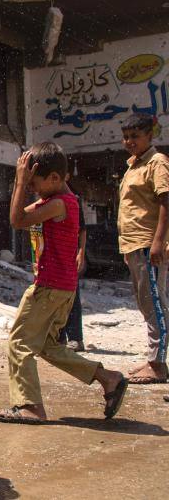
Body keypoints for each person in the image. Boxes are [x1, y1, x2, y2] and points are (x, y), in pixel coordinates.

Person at [0, 143, 127, 424]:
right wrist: (25, 184)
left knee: (19, 343)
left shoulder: (58, 204)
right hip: (63, 288)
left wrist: (19, 182)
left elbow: (17, 220)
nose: (33, 189)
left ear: (55, 178)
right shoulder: (55, 201)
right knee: (48, 346)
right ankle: (109, 378)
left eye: (35, 184)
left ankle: (30, 406)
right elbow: (19, 216)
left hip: (49, 288)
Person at [117, 113, 169, 384]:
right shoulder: (132, 166)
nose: (129, 141)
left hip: (149, 244)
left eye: (135, 136)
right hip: (134, 246)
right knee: (146, 303)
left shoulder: (157, 162)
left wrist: (158, 242)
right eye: (126, 136)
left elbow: (165, 202)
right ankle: (153, 358)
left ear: (150, 135)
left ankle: (159, 365)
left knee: (155, 303)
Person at [58, 191, 87, 351]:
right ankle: (58, 337)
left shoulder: (72, 200)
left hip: (68, 255)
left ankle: (75, 338)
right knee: (54, 297)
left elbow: (82, 230)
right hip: (51, 257)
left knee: (72, 297)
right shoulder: (45, 200)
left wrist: (81, 253)